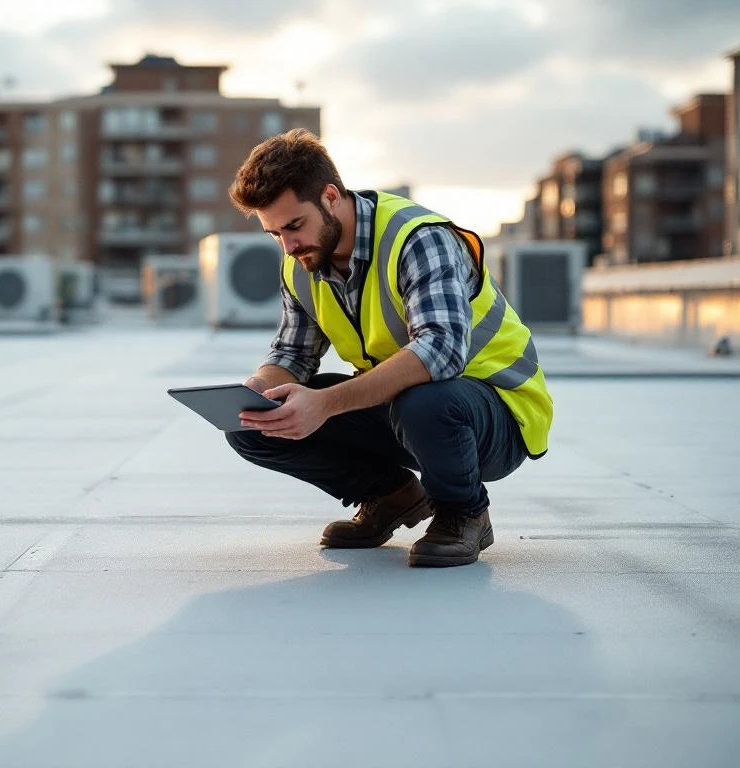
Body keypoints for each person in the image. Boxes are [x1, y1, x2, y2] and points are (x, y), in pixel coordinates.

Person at [225, 129, 553, 567]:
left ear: (329, 197)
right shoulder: (300, 262)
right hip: (405, 410)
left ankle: (465, 512)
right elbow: (292, 355)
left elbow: (440, 352)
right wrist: (256, 392)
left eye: (294, 226)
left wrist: (325, 404)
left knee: (424, 398)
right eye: (274, 234)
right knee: (252, 424)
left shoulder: (418, 238)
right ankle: (391, 495)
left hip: (493, 415)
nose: (287, 245)